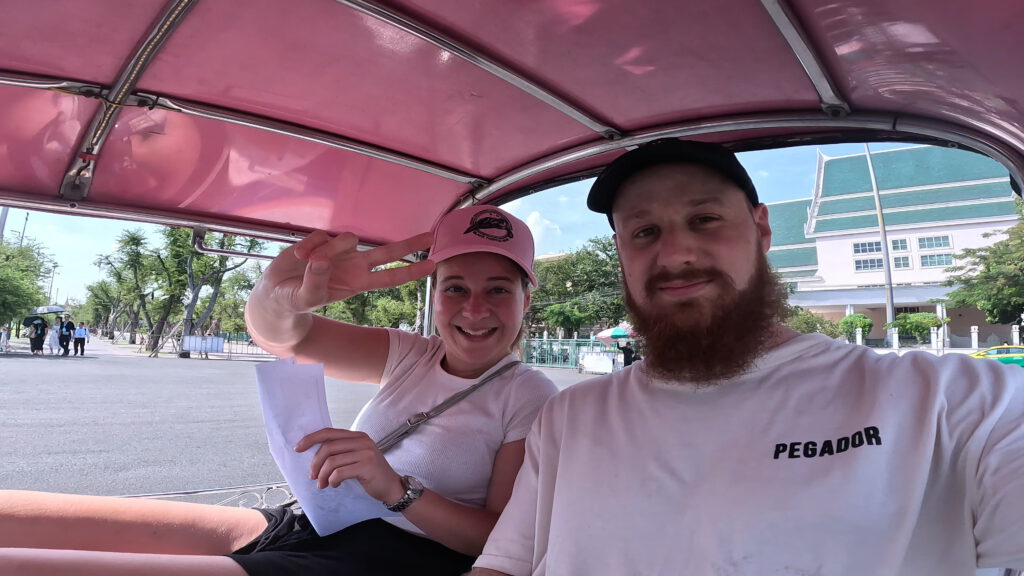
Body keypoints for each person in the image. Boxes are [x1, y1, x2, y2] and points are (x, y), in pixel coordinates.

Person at [471, 139, 1024, 575]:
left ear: (761, 229)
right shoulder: (571, 416)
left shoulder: (958, 402)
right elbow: (504, 564)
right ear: (622, 253)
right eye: (645, 231)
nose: (675, 254)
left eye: (704, 220)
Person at [0, 204, 557, 576]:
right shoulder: (413, 354)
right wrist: (275, 297)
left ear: (526, 299)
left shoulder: (529, 395)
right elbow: (286, 336)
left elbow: (496, 541)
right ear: (434, 297)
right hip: (316, 521)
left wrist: (395, 488)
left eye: (498, 290)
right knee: (22, 518)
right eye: (455, 288)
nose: (474, 309)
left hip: (391, 558)